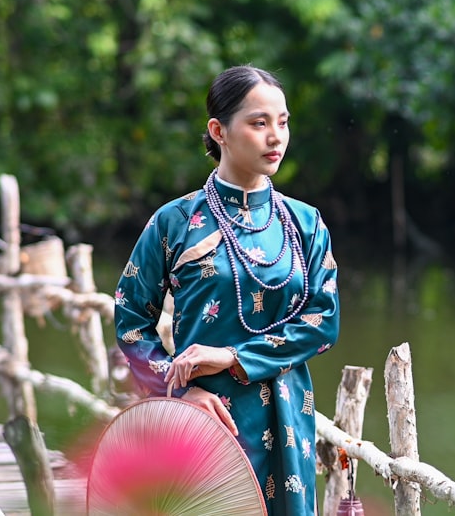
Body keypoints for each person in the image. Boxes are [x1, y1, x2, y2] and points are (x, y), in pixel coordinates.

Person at [114, 64, 340, 515]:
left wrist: (235, 357)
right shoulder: (174, 222)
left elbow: (323, 321)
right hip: (204, 423)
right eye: (259, 123)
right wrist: (179, 395)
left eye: (283, 122)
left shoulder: (306, 223)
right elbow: (131, 322)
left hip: (289, 422)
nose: (275, 136)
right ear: (219, 130)